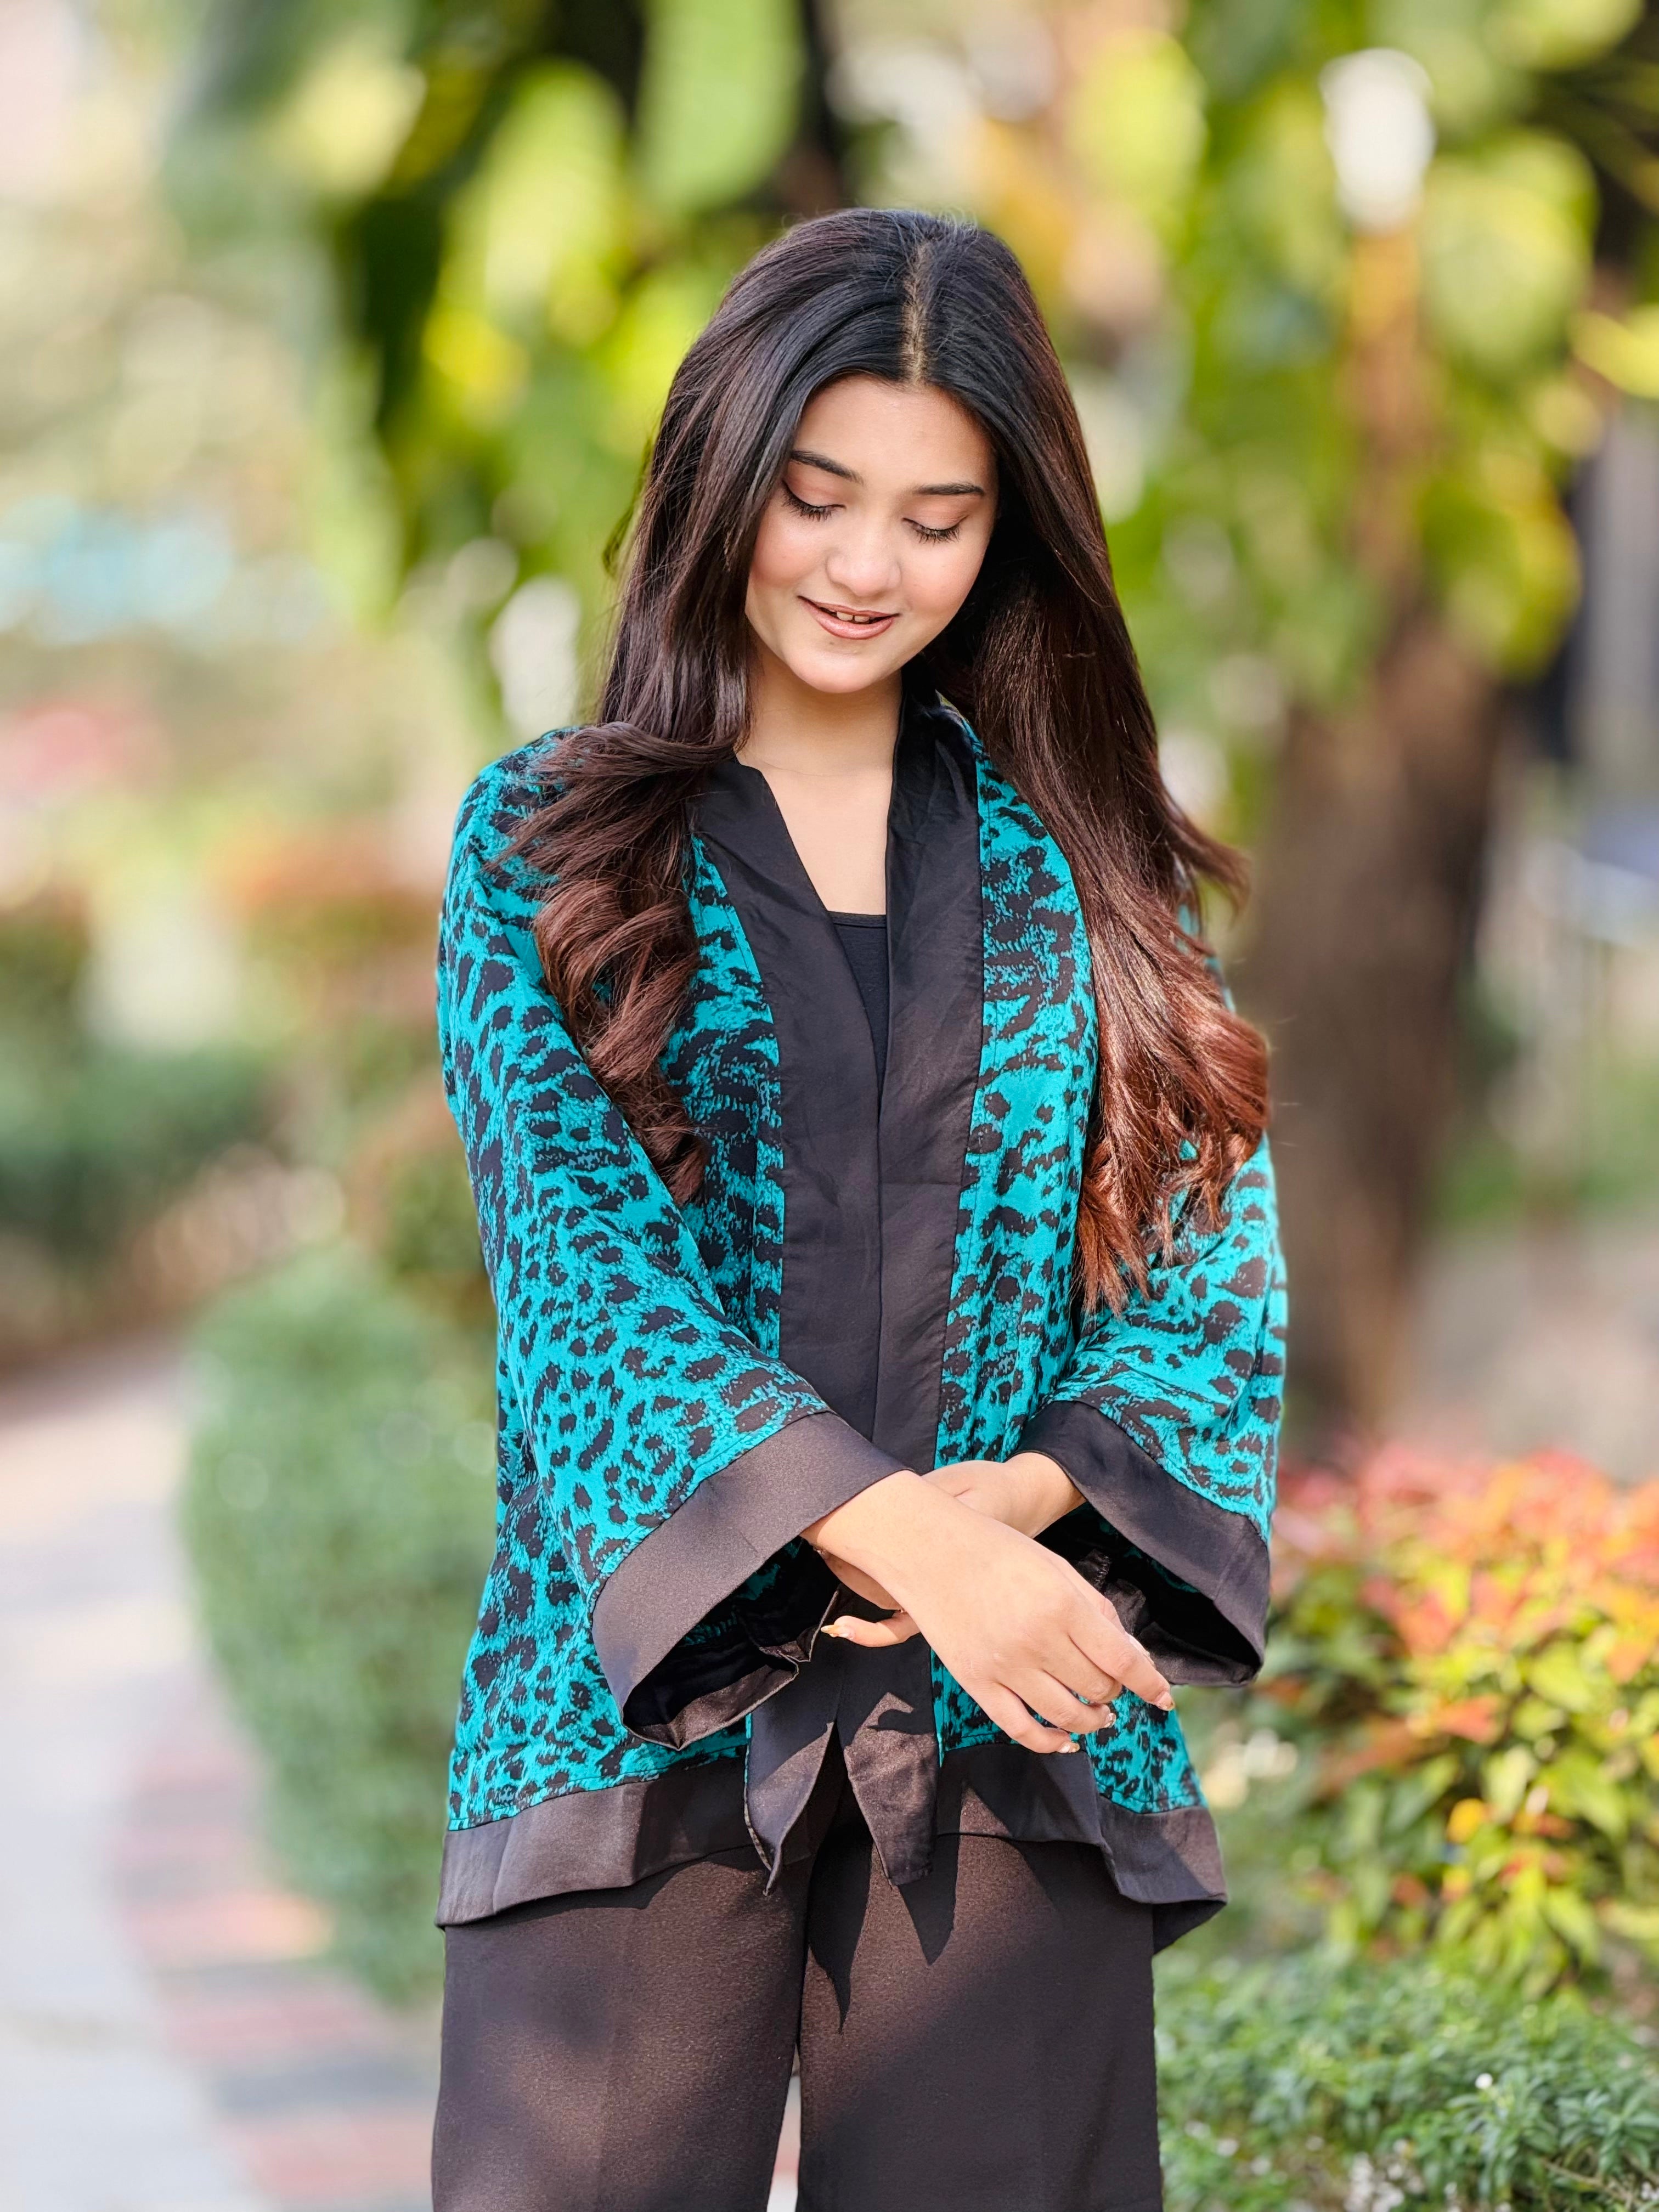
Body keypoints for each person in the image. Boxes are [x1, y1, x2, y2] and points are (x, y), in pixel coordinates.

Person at [430, 207, 1284, 2212]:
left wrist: (1019, 1521)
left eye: (937, 515)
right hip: (632, 1704)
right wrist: (905, 1530)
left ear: (1010, 536)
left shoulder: (1082, 866)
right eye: (816, 497)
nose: (863, 566)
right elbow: (586, 1288)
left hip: (1010, 1725)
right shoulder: (550, 845)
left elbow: (1204, 1277)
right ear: (723, 474)